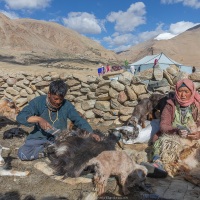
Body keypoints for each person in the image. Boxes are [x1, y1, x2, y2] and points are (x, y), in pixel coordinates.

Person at [17, 80, 100, 161]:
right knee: (23, 154)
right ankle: (48, 151)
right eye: (55, 99)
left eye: (61, 99)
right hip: (40, 138)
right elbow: (21, 116)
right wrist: (39, 119)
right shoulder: (38, 102)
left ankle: (54, 150)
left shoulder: (66, 105)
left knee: (76, 149)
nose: (58, 102)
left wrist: (91, 133)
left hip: (59, 138)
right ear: (49, 94)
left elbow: (78, 119)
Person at [142, 78, 200, 178]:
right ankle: (158, 164)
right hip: (173, 135)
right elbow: (163, 125)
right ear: (176, 92)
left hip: (193, 137)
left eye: (186, 92)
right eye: (180, 91)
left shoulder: (197, 105)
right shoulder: (170, 105)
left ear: (192, 92)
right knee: (164, 143)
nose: (183, 95)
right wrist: (176, 131)